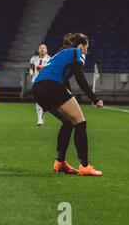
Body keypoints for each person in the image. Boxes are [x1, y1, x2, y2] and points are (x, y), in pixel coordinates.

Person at [32, 33, 104, 176]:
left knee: (68, 122)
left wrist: (69, 97)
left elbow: (64, 79)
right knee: (80, 122)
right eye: (86, 47)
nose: (86, 51)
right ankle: (84, 166)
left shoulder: (62, 53)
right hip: (51, 86)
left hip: (38, 89)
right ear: (81, 46)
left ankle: (60, 163)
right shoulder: (76, 52)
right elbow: (79, 77)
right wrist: (94, 99)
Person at [29, 43, 51, 125]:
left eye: (44, 48)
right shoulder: (33, 59)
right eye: (41, 48)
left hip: (45, 81)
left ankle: (42, 115)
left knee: (44, 101)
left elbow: (50, 70)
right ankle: (39, 119)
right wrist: (31, 74)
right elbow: (31, 68)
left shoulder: (50, 59)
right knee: (38, 100)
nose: (42, 49)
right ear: (38, 50)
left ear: (46, 50)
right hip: (36, 81)